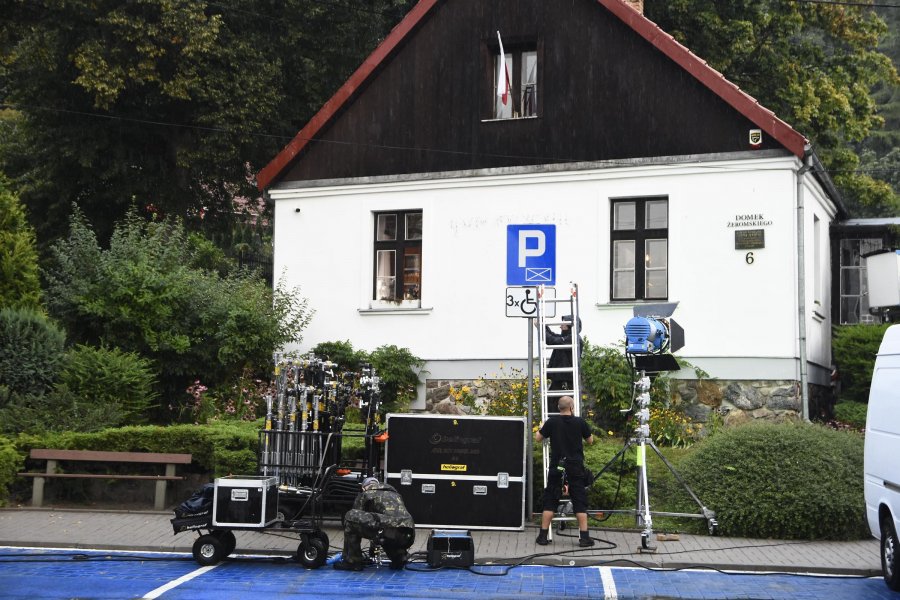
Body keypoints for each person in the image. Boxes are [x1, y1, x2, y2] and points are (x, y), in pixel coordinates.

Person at [534, 395, 595, 547]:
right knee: (579, 500)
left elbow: (537, 438)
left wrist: (541, 426)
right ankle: (584, 538)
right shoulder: (580, 422)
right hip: (575, 466)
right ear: (571, 407)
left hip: (557, 465)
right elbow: (590, 440)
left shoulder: (552, 422)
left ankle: (542, 536)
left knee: (550, 499)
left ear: (558, 408)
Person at [333, 476, 415, 571]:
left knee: (350, 517)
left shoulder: (366, 494)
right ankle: (399, 558)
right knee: (387, 528)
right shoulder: (395, 494)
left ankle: (352, 561)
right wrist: (374, 548)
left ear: (364, 487)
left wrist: (373, 547)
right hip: (408, 534)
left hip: (387, 530)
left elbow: (359, 521)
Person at [543, 314, 584, 412]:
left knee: (563, 407)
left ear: (570, 326)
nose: (560, 326)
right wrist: (543, 326)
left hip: (566, 381)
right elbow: (553, 336)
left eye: (563, 324)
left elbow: (551, 340)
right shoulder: (566, 337)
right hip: (560, 380)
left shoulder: (574, 338)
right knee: (551, 405)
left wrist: (541, 328)